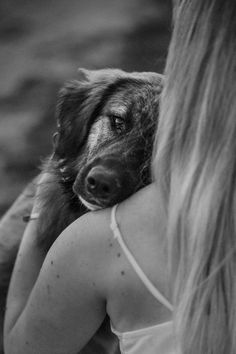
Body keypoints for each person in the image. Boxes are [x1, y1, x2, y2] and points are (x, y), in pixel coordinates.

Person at [4, 1, 236, 354]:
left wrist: (41, 206)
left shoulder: (99, 243)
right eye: (116, 124)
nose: (108, 175)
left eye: (153, 147)